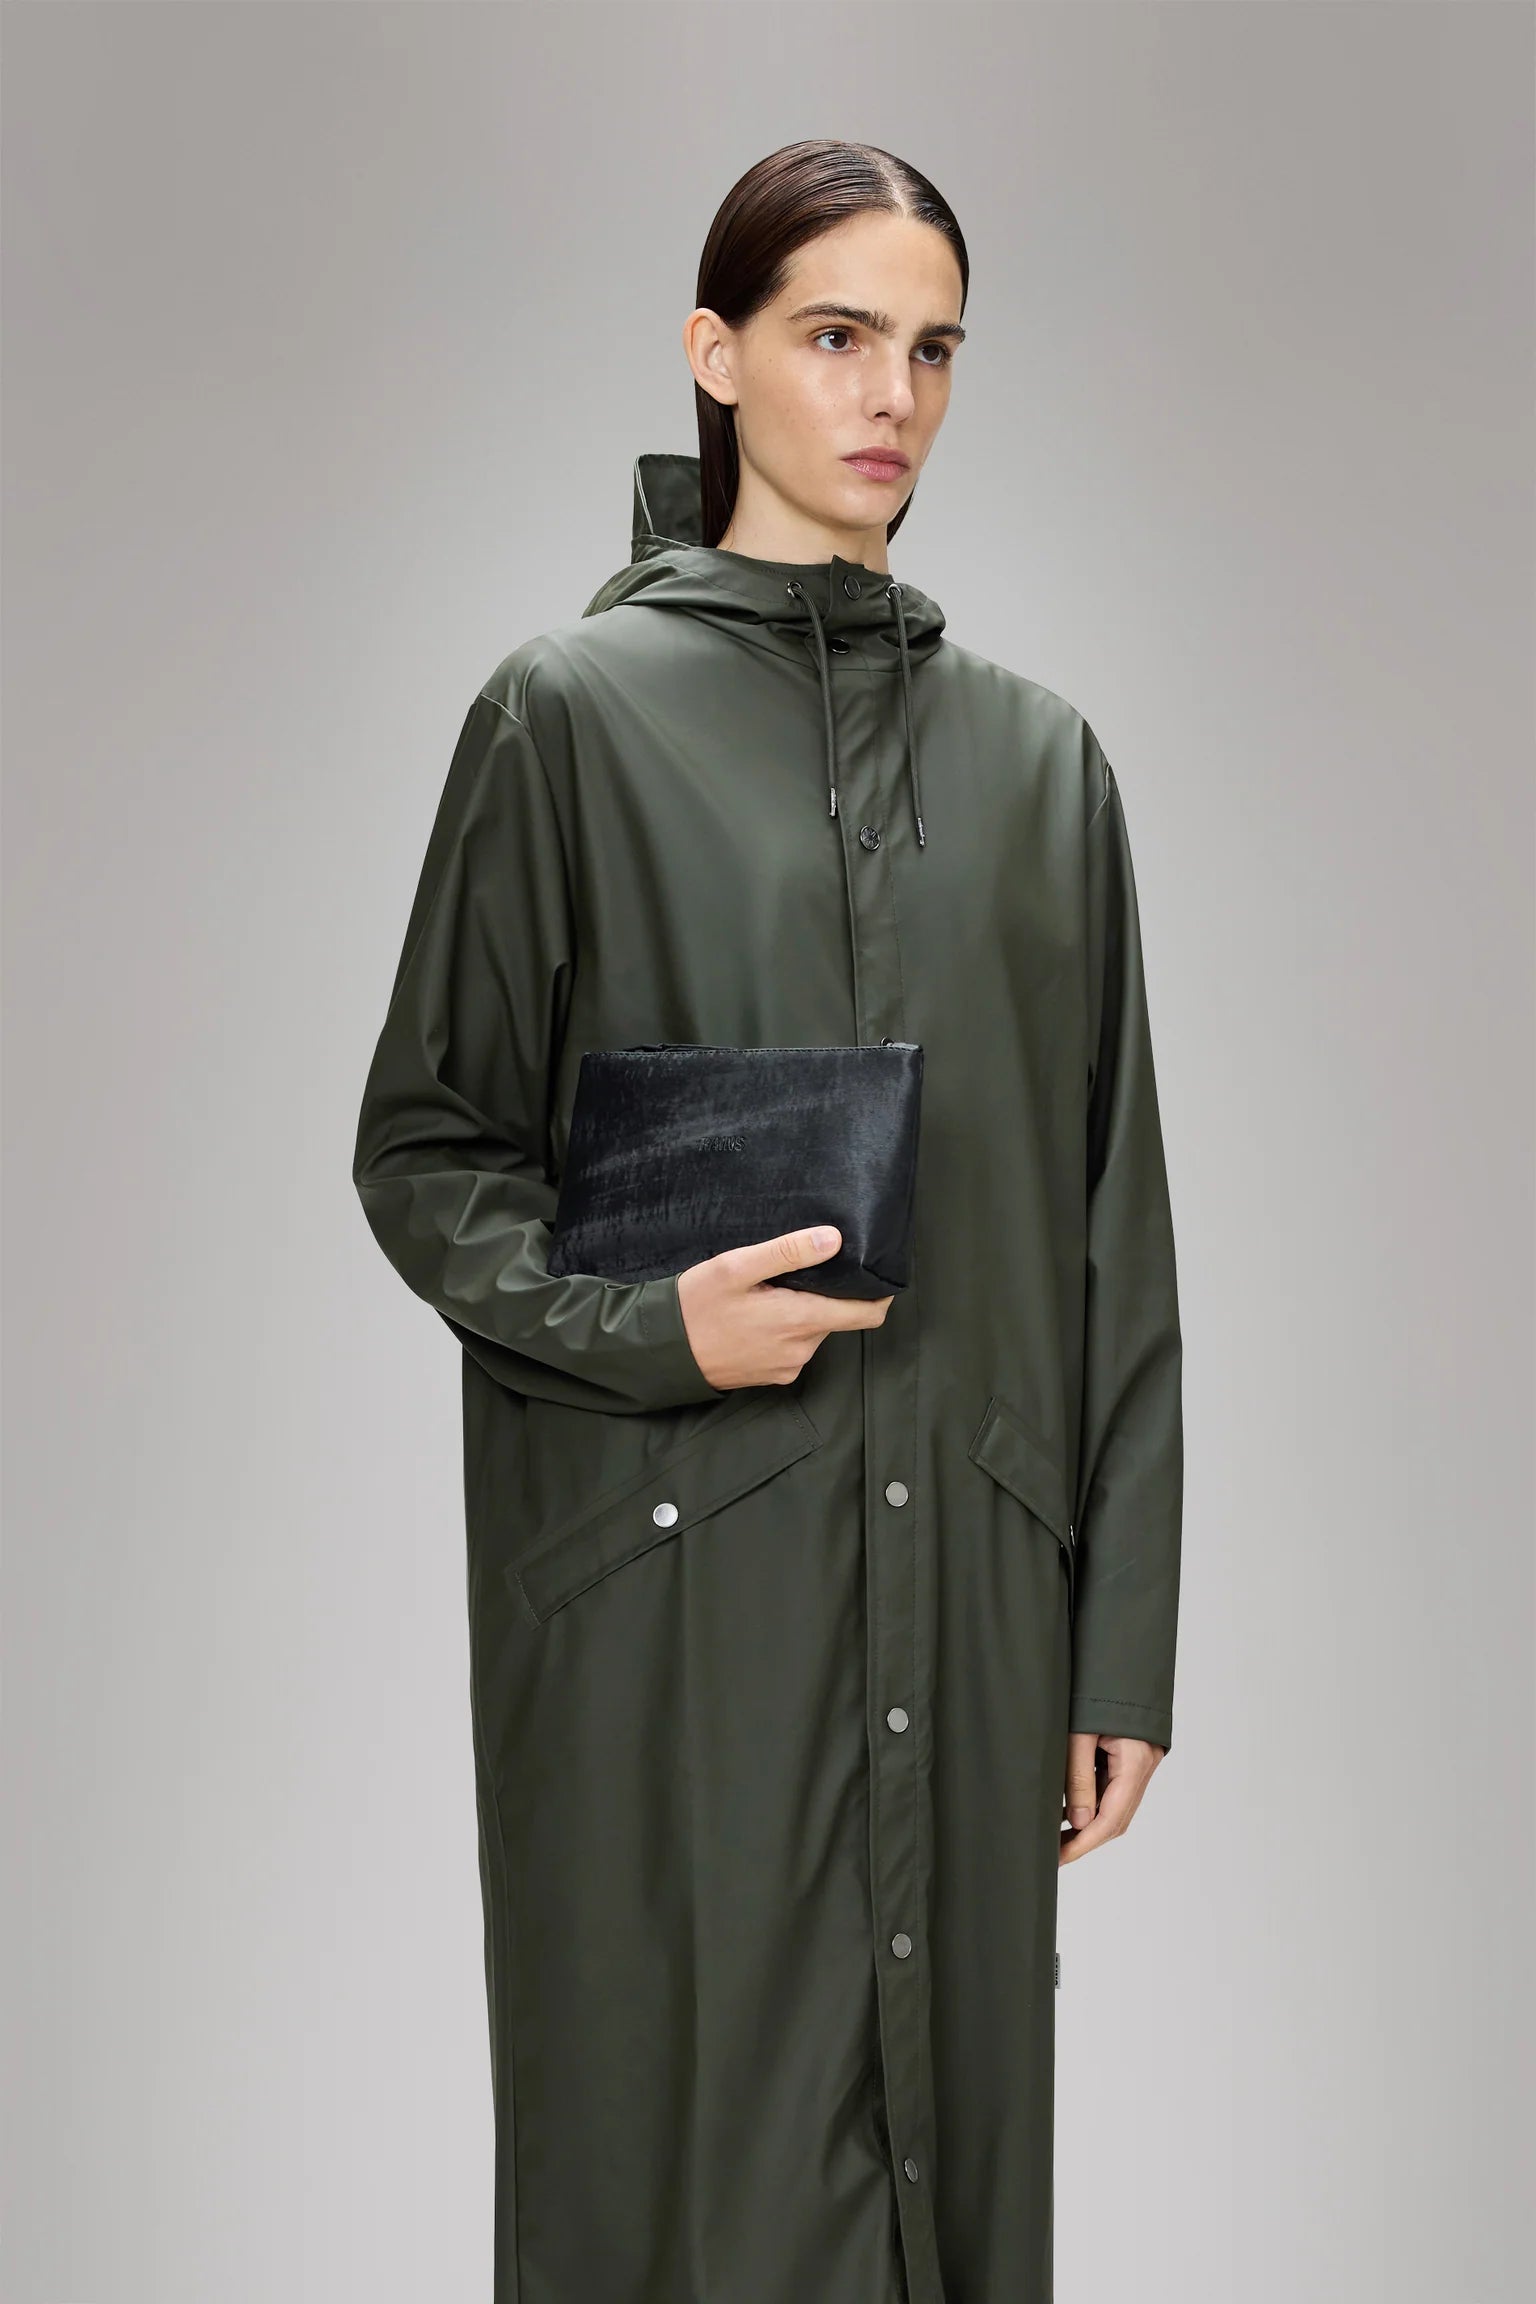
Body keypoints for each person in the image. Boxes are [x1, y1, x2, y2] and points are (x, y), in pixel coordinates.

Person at [352, 137, 1183, 2304]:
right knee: (686, 2185)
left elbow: (1118, 1234)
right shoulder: (567, 723)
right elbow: (428, 1149)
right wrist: (652, 1328)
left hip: (972, 1601)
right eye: (835, 336)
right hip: (676, 1598)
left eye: (934, 348)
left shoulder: (1045, 771)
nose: (892, 394)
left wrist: (1117, 1643)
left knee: (954, 2197)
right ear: (714, 357)